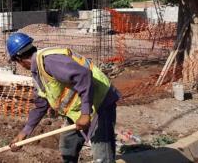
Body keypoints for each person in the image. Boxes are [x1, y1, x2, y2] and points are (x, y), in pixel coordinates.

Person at [7, 32, 120, 163]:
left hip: (99, 103)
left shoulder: (49, 61)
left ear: (19, 59)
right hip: (77, 111)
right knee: (67, 147)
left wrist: (85, 113)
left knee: (102, 155)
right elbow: (41, 105)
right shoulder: (38, 72)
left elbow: (83, 75)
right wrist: (24, 133)